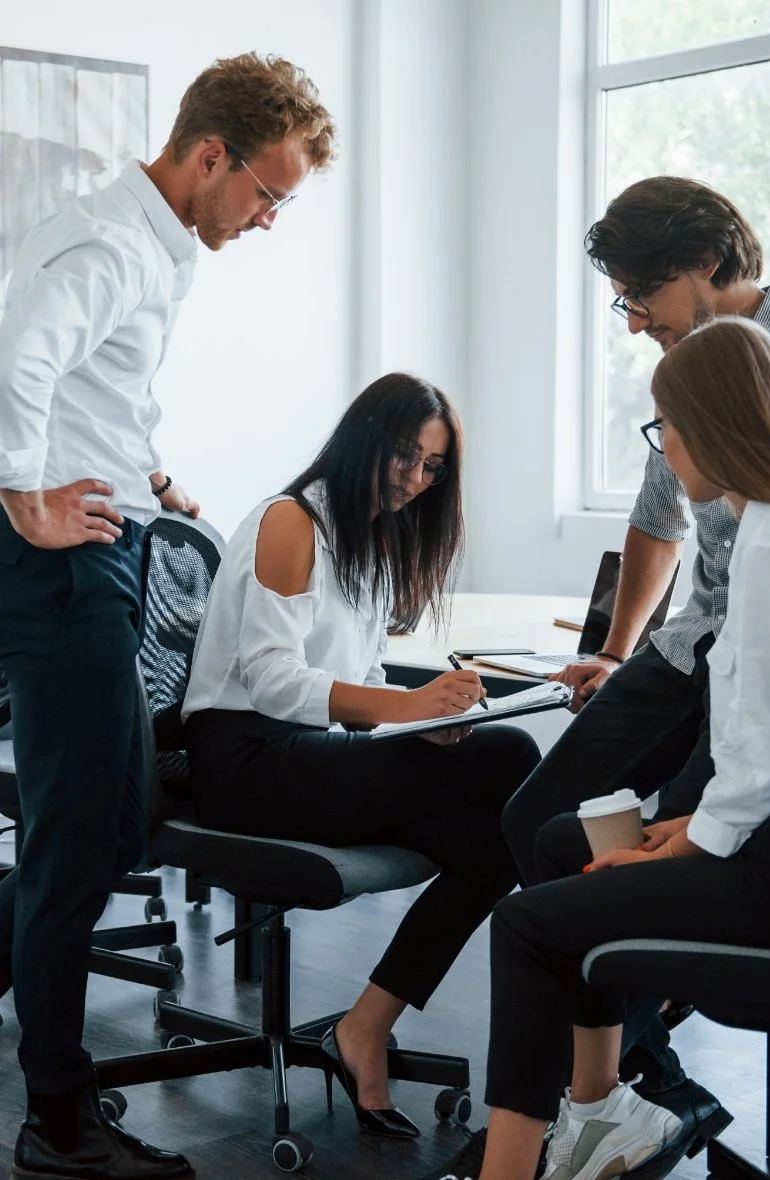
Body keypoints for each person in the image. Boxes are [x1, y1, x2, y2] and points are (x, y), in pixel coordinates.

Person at [427, 315, 770, 1180]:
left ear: (714, 424)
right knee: (564, 841)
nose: (663, 449)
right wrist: (691, 827)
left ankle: (516, 1167)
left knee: (525, 925)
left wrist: (697, 839)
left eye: (664, 426)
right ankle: (601, 1114)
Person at [0, 53, 335, 1180]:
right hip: (60, 567)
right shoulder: (107, 242)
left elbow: (102, 387)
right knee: (81, 833)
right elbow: (17, 362)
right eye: (267, 192)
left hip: (109, 533)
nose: (270, 217)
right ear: (210, 157)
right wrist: (21, 495)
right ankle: (57, 1118)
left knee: (111, 814)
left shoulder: (156, 243)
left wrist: (151, 480)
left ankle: (52, 1087)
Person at [181, 372, 542, 1141]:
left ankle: (366, 1026)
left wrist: (414, 731)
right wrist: (406, 709)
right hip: (245, 761)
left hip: (315, 753)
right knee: (510, 753)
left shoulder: (372, 535)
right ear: (364, 443)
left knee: (491, 837)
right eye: (404, 458)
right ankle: (582, 996)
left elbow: (363, 677)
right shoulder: (291, 521)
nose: (416, 480)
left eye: (433, 467)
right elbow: (275, 685)